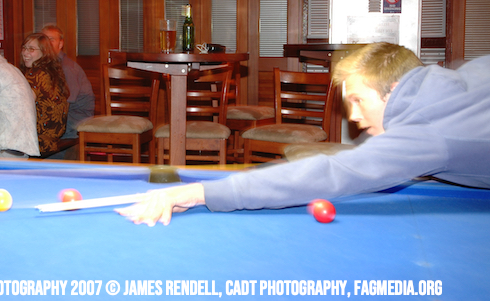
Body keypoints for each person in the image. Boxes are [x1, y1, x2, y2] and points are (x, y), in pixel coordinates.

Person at [116, 42, 490, 226]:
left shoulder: (429, 132)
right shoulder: (453, 81)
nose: (354, 118)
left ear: (393, 89)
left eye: (359, 100)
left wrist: (200, 192)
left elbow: (334, 172)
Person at [41, 25, 95, 157]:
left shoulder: (67, 68)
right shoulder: (47, 65)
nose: (47, 43)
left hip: (74, 120)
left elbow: (64, 105)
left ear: (60, 44)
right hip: (63, 116)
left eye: (51, 39)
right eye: (44, 39)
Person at [19, 33, 70, 157]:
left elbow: (22, 105)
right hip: (53, 137)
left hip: (38, 140)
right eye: (24, 48)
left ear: (44, 52)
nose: (25, 53)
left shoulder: (36, 74)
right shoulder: (51, 71)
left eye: (31, 49)